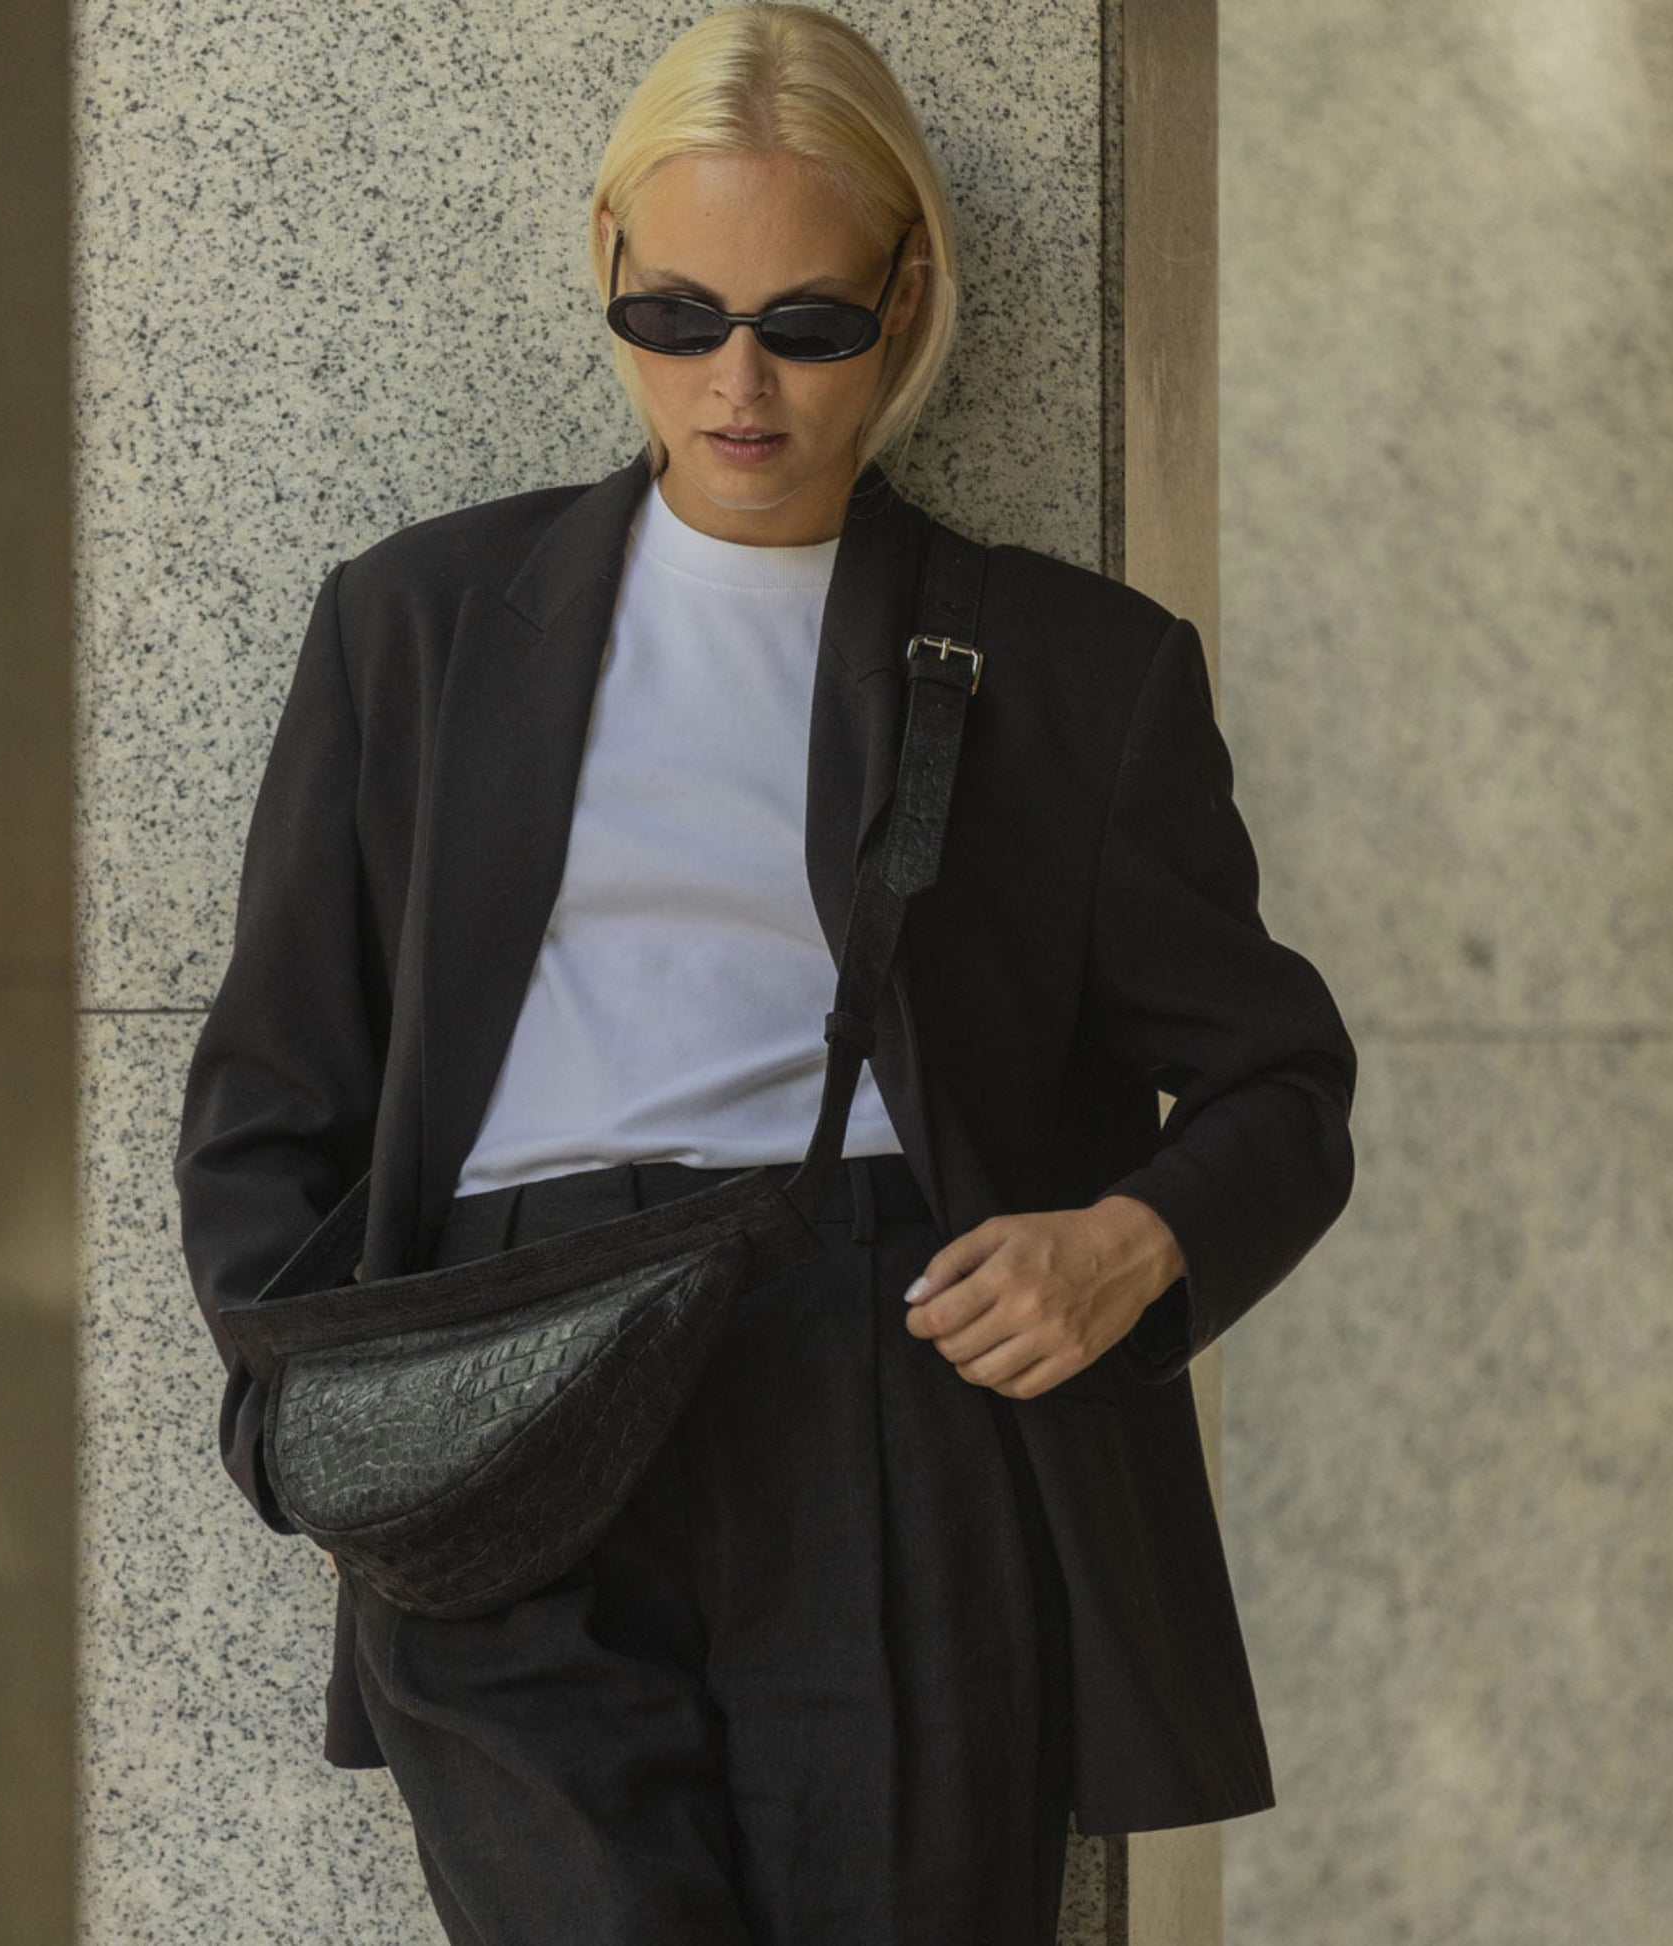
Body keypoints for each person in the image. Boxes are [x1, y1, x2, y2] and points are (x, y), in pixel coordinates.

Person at [172, 5, 1358, 1942]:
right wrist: (312, 1425)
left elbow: (1280, 1086)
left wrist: (1127, 1243)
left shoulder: (1073, 670)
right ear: (606, 268)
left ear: (905, 300)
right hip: (501, 1389)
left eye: (804, 323)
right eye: (675, 316)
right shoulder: (419, 627)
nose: (735, 383)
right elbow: (271, 1091)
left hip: (887, 1387)